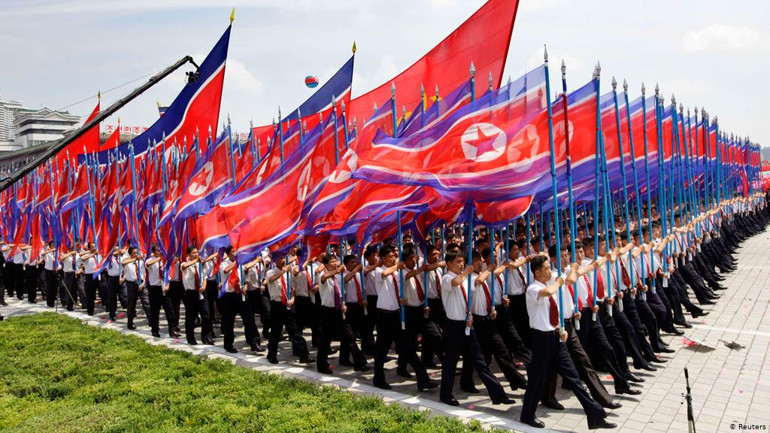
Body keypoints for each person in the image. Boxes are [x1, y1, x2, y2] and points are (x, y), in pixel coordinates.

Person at [520, 255, 614, 430]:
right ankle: (527, 415)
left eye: (550, 267)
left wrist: (561, 329)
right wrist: (559, 282)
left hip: (556, 338)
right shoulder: (533, 288)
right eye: (547, 268)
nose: (550, 270)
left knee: (574, 377)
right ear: (537, 272)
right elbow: (548, 293)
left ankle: (595, 415)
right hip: (541, 340)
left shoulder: (551, 284)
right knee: (537, 380)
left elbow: (563, 292)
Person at [438, 249, 511, 407]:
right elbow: (455, 283)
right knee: (450, 363)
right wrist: (465, 273)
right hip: (453, 326)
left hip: (467, 324)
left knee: (479, 360)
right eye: (457, 262)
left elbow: (471, 294)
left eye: (462, 261)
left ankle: (498, 394)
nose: (461, 264)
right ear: (449, 264)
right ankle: (445, 394)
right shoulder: (447, 278)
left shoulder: (464, 278)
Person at [372, 246, 436, 392]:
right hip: (384, 315)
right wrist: (397, 266)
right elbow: (384, 273)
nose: (393, 258)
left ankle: (423, 379)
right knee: (382, 350)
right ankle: (378, 378)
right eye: (390, 256)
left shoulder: (397, 272)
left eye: (394, 256)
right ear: (383, 258)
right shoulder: (378, 271)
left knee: (408, 347)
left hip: (396, 314)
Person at [265, 254, 311, 364]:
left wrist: (292, 298)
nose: (282, 260)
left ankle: (303, 355)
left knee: (295, 331)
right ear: (275, 261)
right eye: (280, 259)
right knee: (275, 332)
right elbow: (271, 279)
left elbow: (292, 287)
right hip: (277, 305)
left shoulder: (288, 273)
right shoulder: (270, 272)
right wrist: (283, 271)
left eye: (283, 258)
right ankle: (271, 355)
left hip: (288, 305)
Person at [181, 247, 214, 345]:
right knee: (190, 317)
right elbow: (184, 266)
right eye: (193, 253)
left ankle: (206, 337)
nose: (196, 254)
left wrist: (203, 286)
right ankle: (190, 338)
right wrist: (196, 260)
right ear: (188, 255)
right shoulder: (184, 263)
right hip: (190, 293)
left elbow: (204, 277)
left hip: (201, 293)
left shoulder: (200, 264)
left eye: (197, 252)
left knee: (206, 315)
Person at [145, 245, 178, 338]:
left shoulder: (165, 261)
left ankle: (172, 330)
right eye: (158, 250)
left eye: (161, 250)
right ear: (154, 252)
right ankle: (155, 330)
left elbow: (169, 274)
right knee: (155, 311)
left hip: (164, 288)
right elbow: (148, 264)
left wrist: (168, 285)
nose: (160, 252)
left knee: (170, 310)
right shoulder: (149, 260)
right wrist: (159, 259)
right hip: (154, 289)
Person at [122, 246, 150, 330]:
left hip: (141, 283)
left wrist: (143, 283)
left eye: (137, 253)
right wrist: (134, 259)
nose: (136, 255)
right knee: (131, 304)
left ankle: (151, 320)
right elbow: (123, 263)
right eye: (134, 253)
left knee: (146, 302)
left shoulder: (141, 262)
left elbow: (144, 275)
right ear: (130, 254)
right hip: (131, 284)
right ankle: (130, 322)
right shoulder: (127, 262)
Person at [80, 242, 102, 314]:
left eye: (95, 246)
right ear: (89, 248)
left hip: (98, 274)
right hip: (90, 276)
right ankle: (90, 311)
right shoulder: (87, 255)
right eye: (92, 247)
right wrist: (92, 254)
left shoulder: (98, 255)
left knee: (103, 291)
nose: (94, 248)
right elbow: (82, 258)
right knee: (90, 295)